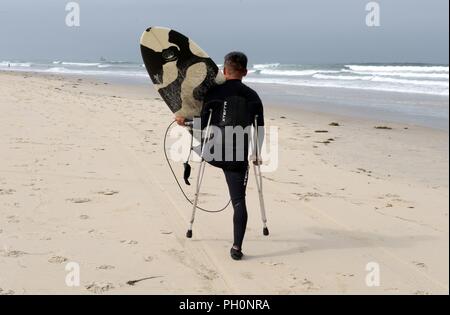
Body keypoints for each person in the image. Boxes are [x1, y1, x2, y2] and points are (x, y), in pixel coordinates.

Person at [176, 52, 264, 260]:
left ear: (224, 71)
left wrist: (183, 122)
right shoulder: (253, 97)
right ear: (245, 72)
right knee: (239, 202)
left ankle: (190, 227)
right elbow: (259, 129)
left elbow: (201, 124)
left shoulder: (214, 93)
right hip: (237, 160)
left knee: (203, 146)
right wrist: (256, 154)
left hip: (213, 154)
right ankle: (236, 248)